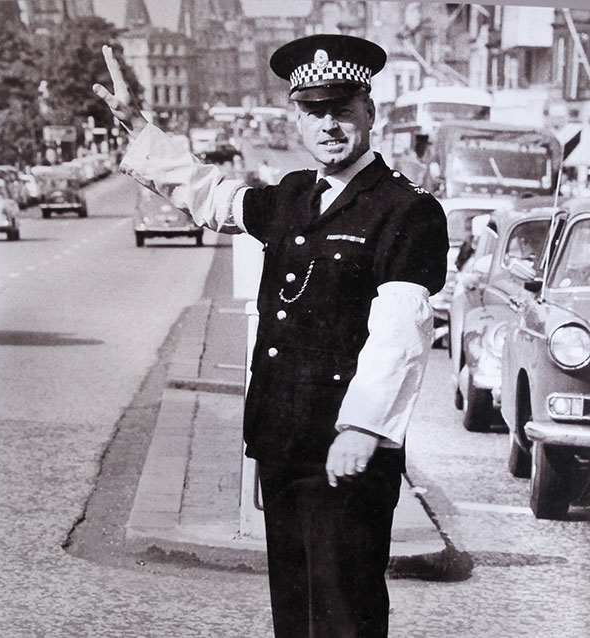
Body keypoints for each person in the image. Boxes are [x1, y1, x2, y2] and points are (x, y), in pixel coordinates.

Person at [94, 33, 448, 638]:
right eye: (314, 111)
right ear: (297, 118)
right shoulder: (292, 197)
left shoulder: (406, 210)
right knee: (294, 610)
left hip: (346, 450)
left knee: (345, 613)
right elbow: (208, 194)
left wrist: (363, 428)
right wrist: (138, 126)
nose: (328, 126)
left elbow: (402, 328)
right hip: (282, 443)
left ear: (371, 113)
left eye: (341, 109)